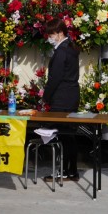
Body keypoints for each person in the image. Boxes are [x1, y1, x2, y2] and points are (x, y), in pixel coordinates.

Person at [42, 18, 80, 181]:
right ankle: (71, 170)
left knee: (63, 136)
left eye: (52, 33)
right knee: (69, 135)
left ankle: (66, 170)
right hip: (70, 96)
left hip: (62, 98)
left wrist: (45, 97)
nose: (49, 37)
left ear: (60, 33)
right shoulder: (69, 48)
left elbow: (55, 78)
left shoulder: (61, 51)